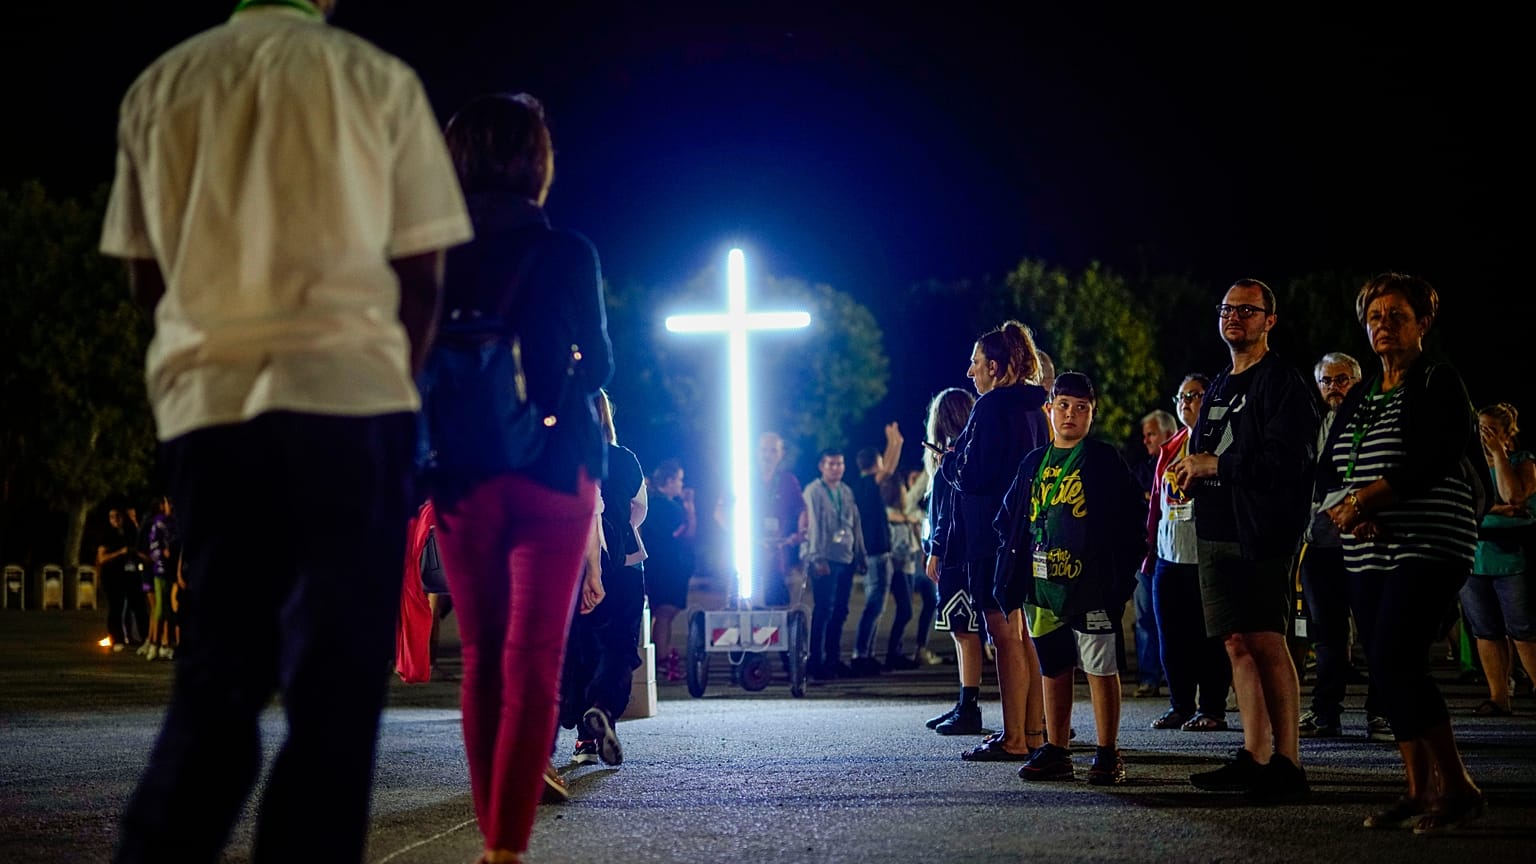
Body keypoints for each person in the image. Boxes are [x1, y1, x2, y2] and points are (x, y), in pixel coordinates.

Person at [98, 1, 473, 859]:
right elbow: (422, 274)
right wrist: (394, 385)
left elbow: (143, 272)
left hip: (214, 413)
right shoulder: (377, 81)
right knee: (336, 698)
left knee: (217, 679)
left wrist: (201, 352)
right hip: (349, 407)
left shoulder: (163, 86)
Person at [425, 92, 611, 862]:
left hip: (463, 474)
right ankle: (504, 849)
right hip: (556, 473)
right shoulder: (567, 251)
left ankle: (487, 820)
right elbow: (598, 365)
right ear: (536, 163)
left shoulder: (428, 252)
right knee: (535, 656)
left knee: (482, 659)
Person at [1320, 273, 1485, 832]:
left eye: (1397, 315)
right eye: (1375, 317)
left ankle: (1457, 786)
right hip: (1367, 548)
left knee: (1398, 655)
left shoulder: (1438, 379)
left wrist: (1367, 499)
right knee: (1385, 668)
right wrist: (1346, 507)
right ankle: (1418, 791)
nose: (1384, 325)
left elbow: (1437, 453)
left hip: (1429, 540)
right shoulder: (1364, 392)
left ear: (1423, 324)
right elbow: (1329, 464)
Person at [1171, 278, 1318, 804]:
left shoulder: (1283, 383)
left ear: (1270, 321)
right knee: (1236, 643)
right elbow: (1209, 452)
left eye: (1248, 310)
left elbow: (1291, 462)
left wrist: (1217, 464)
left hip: (1260, 531)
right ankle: (1255, 756)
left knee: (1267, 641)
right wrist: (1192, 471)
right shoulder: (1217, 385)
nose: (1235, 318)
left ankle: (1289, 763)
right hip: (1213, 529)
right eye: (1227, 309)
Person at [998, 372, 1145, 784]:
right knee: (1054, 667)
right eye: (1063, 405)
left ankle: (1107, 751)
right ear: (1049, 409)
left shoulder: (1102, 459)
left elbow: (1134, 518)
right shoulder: (1033, 463)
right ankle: (1057, 748)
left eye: (1081, 408)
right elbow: (1008, 521)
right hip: (1043, 590)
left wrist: (1120, 577)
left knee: (1100, 666)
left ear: (1092, 415)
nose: (1071, 415)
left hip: (1091, 587)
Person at [941, 320, 1052, 762]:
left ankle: (1013, 738)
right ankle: (1034, 730)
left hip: (991, 534)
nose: (970, 372)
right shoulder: (1037, 409)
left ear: (994, 365)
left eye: (974, 362)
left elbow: (974, 475)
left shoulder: (990, 409)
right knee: (1023, 633)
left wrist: (950, 464)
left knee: (1003, 634)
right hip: (1026, 532)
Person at [1298, 352, 1390, 740]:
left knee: (1375, 632)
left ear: (1356, 381)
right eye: (1326, 381)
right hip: (1319, 545)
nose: (1333, 388)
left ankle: (1381, 713)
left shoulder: (1372, 422)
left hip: (1363, 540)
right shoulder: (1313, 425)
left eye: (1341, 379)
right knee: (1328, 636)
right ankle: (1325, 712)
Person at [560, 390, 646, 767]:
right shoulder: (626, 459)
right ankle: (604, 709)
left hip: (573, 563)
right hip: (624, 564)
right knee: (619, 648)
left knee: (580, 648)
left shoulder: (565, 457)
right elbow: (639, 510)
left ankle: (584, 739)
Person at [1145, 374, 1233, 733]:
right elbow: (1156, 502)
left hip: (1205, 554)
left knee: (1210, 639)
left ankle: (1212, 707)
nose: (1185, 402)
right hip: (1168, 554)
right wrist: (1149, 548)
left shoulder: (1221, 442)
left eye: (1194, 395)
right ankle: (1180, 704)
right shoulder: (1171, 445)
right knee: (1171, 636)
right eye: (1180, 396)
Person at [1461, 402, 1536, 717]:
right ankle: (1498, 695)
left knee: (1523, 627)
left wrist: (1499, 454)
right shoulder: (1468, 463)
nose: (1483, 435)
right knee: (1486, 629)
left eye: (1491, 430)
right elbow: (1465, 502)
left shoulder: (1523, 461)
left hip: (1511, 556)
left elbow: (1513, 496)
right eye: (1480, 429)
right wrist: (1496, 511)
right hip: (1474, 554)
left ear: (1507, 432)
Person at [923, 388, 984, 733]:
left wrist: (936, 548)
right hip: (963, 552)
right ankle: (964, 702)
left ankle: (969, 706)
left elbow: (947, 513)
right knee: (962, 631)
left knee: (964, 629)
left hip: (956, 556)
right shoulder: (963, 455)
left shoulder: (954, 459)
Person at [803, 448, 868, 679]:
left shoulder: (846, 491)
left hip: (846, 558)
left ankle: (833, 658)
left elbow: (855, 524)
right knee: (823, 610)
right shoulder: (814, 491)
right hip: (825, 559)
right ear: (822, 466)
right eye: (831, 464)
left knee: (840, 610)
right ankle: (815, 661)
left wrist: (860, 554)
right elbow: (814, 527)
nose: (836, 468)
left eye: (840, 464)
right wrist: (816, 557)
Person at [850, 424, 905, 675]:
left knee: (876, 605)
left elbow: (888, 469)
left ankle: (866, 654)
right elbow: (890, 469)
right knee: (874, 605)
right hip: (876, 553)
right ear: (876, 463)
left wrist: (895, 444)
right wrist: (896, 442)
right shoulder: (868, 484)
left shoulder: (860, 486)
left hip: (871, 552)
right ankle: (861, 655)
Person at [1132, 409, 1178, 697]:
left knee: (1172, 618)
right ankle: (1149, 677)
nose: (1146, 440)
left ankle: (1176, 679)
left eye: (1151, 434)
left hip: (1172, 551)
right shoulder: (1144, 469)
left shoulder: (1179, 465)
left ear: (1168, 434)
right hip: (1146, 551)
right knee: (1145, 617)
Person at [645, 460, 696, 682]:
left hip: (654, 566)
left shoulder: (650, 503)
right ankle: (663, 660)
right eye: (679, 479)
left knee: (660, 613)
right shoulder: (669, 508)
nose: (681, 484)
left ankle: (657, 658)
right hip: (668, 568)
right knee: (665, 613)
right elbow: (687, 534)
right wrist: (690, 508)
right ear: (669, 480)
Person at [754, 433, 808, 607]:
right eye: (764, 450)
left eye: (773, 451)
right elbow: (720, 511)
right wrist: (741, 537)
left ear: (781, 454)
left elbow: (802, 510)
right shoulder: (743, 478)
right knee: (745, 612)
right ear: (756, 451)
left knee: (777, 610)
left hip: (778, 556)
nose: (767, 455)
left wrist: (801, 532)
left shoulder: (788, 480)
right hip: (749, 556)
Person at [143, 497, 178, 661]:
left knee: (173, 608)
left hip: (176, 571)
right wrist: (162, 554)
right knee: (160, 607)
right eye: (166, 503)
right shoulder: (158, 523)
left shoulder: (178, 523)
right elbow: (152, 545)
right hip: (161, 570)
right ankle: (154, 643)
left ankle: (167, 643)